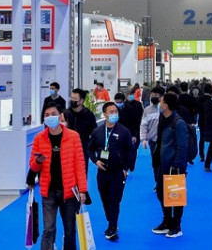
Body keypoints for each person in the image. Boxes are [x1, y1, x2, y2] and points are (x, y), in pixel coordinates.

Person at [29, 103, 88, 250]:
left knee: (70, 230)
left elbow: (80, 164)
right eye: (47, 115)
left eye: (53, 114)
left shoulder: (73, 136)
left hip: (69, 192)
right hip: (48, 191)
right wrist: (38, 161)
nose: (50, 117)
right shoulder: (39, 138)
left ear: (60, 115)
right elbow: (33, 166)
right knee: (48, 229)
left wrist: (83, 190)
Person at [88, 102, 134, 242]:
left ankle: (112, 228)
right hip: (102, 173)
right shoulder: (98, 132)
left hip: (118, 172)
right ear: (105, 114)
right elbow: (90, 149)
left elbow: (130, 151)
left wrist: (125, 168)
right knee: (105, 199)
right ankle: (111, 219)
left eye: (116, 111)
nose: (114, 114)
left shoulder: (124, 131)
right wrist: (96, 161)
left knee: (115, 200)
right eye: (111, 112)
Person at [151, 93, 189, 238]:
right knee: (161, 193)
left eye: (161, 102)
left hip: (175, 167)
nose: (159, 104)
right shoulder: (164, 119)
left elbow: (182, 146)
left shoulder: (178, 123)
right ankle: (167, 221)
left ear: (166, 106)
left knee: (176, 195)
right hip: (163, 164)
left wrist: (177, 166)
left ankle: (177, 226)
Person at [65, 89, 98, 171]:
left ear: (81, 101)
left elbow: (94, 133)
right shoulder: (66, 114)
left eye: (75, 99)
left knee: (82, 172)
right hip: (67, 149)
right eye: (71, 98)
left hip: (83, 149)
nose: (72, 101)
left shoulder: (89, 115)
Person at [115, 92, 143, 171]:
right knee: (121, 151)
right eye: (117, 102)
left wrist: (134, 134)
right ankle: (124, 167)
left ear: (123, 100)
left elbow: (135, 122)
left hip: (130, 132)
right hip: (119, 133)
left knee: (132, 150)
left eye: (120, 102)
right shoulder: (114, 109)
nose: (118, 104)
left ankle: (131, 163)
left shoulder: (130, 108)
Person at [141, 87, 164, 157]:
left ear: (161, 97)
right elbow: (143, 125)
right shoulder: (147, 110)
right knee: (155, 161)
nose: (153, 97)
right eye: (152, 95)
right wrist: (143, 139)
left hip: (165, 141)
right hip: (153, 141)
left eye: (156, 95)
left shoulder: (166, 109)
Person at [195, 84, 211, 162]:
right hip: (210, 121)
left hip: (202, 120)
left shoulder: (200, 99)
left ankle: (201, 155)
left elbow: (197, 110)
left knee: (202, 138)